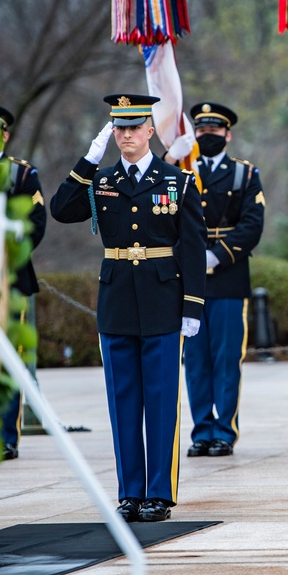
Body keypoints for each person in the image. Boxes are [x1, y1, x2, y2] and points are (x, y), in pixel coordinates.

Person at [50, 94, 206, 522]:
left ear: (150, 130)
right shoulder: (100, 181)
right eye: (119, 128)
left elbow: (192, 248)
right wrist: (87, 161)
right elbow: (61, 211)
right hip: (116, 300)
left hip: (162, 300)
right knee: (123, 402)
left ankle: (159, 492)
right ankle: (130, 493)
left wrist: (192, 306)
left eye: (134, 127)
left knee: (159, 400)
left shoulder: (177, 182)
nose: (126, 135)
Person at [164, 102, 265, 458]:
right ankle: (202, 430)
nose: (208, 135)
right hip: (187, 277)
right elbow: (155, 202)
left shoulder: (244, 174)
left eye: (215, 129)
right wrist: (169, 159)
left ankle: (225, 431)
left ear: (228, 134)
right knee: (194, 359)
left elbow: (253, 224)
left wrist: (218, 254)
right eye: (202, 130)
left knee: (225, 359)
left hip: (228, 276)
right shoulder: (178, 171)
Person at [0, 104, 46, 461]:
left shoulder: (21, 175)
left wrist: (7, 253)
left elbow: (37, 220)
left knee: (8, 360)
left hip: (11, 279)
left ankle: (6, 436)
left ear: (5, 136)